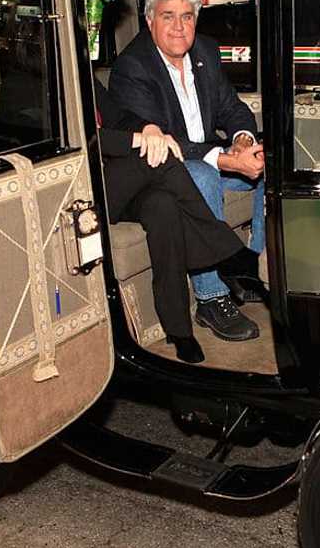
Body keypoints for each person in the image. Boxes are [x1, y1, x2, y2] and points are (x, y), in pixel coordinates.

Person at [106, 0, 265, 342]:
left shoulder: (205, 51)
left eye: (187, 16)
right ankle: (210, 296)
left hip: (204, 153)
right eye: (167, 16)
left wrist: (242, 141)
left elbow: (231, 107)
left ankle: (249, 269)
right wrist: (225, 159)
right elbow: (167, 145)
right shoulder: (133, 67)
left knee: (267, 162)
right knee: (203, 175)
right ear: (150, 21)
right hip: (165, 170)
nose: (179, 27)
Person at [96, 84, 260, 364]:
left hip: (124, 181)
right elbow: (79, 143)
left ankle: (179, 330)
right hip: (87, 192)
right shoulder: (27, 86)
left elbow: (119, 117)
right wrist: (137, 141)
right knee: (159, 156)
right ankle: (228, 252)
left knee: (164, 206)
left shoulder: (82, 78)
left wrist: (150, 130)